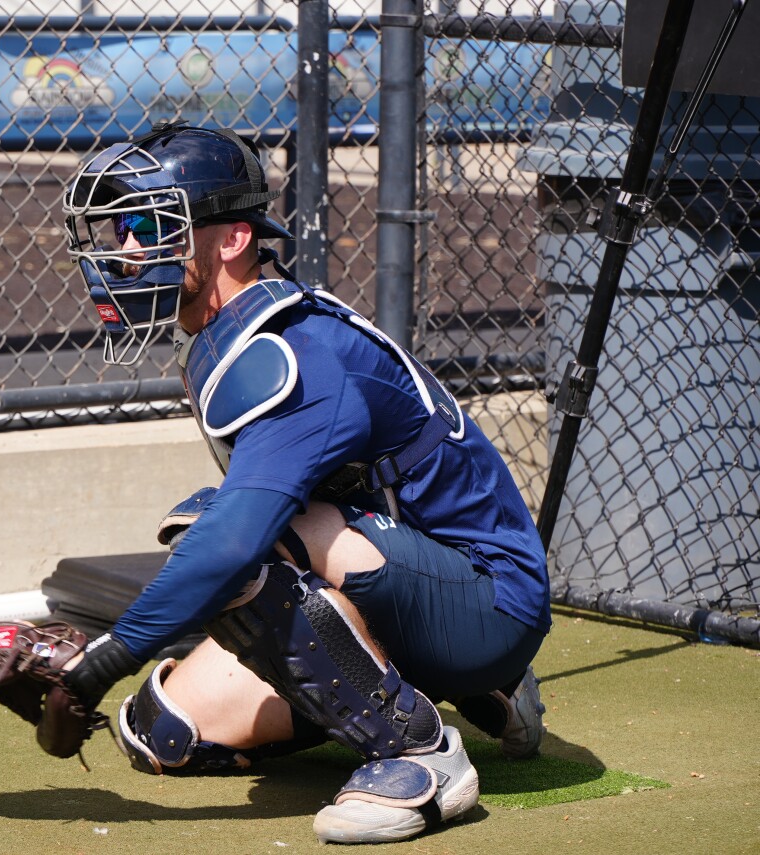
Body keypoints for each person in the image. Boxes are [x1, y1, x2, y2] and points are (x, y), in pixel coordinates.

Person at [52, 122, 552, 845]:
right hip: (409, 570)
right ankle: (463, 683)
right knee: (159, 731)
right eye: (116, 228)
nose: (123, 250)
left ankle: (418, 751)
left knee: (225, 536)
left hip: (488, 600)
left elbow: (231, 548)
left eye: (144, 225)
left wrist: (96, 662)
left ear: (229, 240)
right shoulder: (233, 334)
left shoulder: (293, 355)